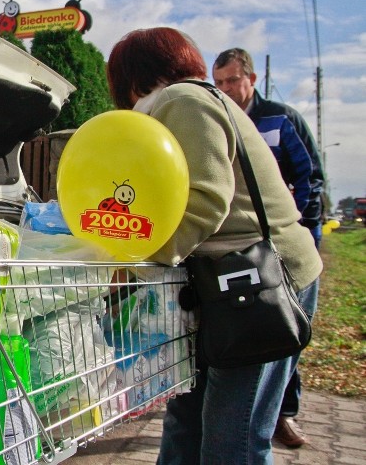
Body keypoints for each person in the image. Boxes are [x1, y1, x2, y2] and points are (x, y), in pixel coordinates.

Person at [106, 27, 322, 464]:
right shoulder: (183, 105)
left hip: (262, 282)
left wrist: (139, 264)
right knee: (186, 413)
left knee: (233, 434)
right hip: (227, 283)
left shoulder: (183, 102)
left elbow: (206, 200)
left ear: (131, 79)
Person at [212, 47, 324, 448]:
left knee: (284, 328)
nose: (225, 89)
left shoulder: (279, 118)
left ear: (252, 79)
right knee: (257, 332)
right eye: (219, 82)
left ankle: (284, 415)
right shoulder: (218, 117)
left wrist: (308, 228)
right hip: (245, 250)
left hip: (285, 242)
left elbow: (310, 175)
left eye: (232, 81)